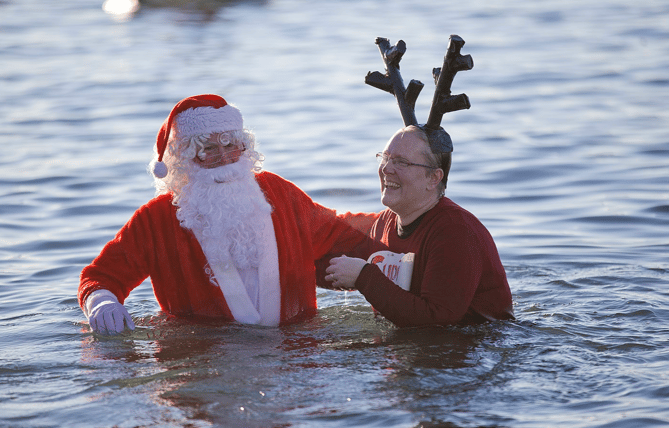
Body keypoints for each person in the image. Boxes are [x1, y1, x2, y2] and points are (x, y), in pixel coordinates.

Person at [78, 94, 373, 334]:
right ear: (183, 159)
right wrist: (102, 302)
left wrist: (402, 226)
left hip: (294, 358)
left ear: (244, 147)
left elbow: (343, 232)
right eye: (207, 148)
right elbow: (101, 276)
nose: (223, 158)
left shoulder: (279, 193)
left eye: (230, 145)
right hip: (205, 362)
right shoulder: (157, 219)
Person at [324, 125, 514, 327]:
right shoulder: (383, 224)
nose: (386, 168)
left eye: (401, 162)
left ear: (433, 178)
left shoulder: (456, 232)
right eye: (385, 157)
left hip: (479, 343)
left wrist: (364, 277)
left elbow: (436, 321)